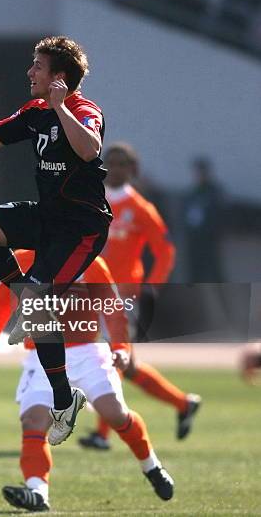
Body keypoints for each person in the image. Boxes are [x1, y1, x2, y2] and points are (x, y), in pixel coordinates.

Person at [0, 36, 112, 445]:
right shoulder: (35, 111)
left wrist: (62, 106)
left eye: (37, 67)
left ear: (59, 78)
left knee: (37, 305)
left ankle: (64, 400)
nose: (30, 72)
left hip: (81, 228)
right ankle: (25, 294)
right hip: (47, 216)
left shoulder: (82, 109)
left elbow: (89, 149)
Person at [0, 249, 174, 512]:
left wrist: (121, 348)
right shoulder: (20, 260)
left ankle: (152, 467)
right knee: (33, 419)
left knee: (115, 414)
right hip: (42, 353)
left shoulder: (89, 261)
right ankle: (37, 491)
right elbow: (2, 298)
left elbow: (111, 308)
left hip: (87, 354)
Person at [79, 142, 201, 450]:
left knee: (108, 358)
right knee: (123, 365)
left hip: (122, 294)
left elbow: (165, 250)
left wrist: (152, 286)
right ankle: (183, 404)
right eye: (112, 162)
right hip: (89, 289)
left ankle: (102, 435)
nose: (117, 168)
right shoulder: (88, 200)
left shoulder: (140, 209)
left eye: (123, 164)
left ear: (133, 170)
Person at [183, 156, 225, 283]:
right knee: (195, 266)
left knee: (212, 266)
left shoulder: (214, 191)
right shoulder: (192, 192)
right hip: (194, 235)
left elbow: (218, 212)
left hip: (208, 235)